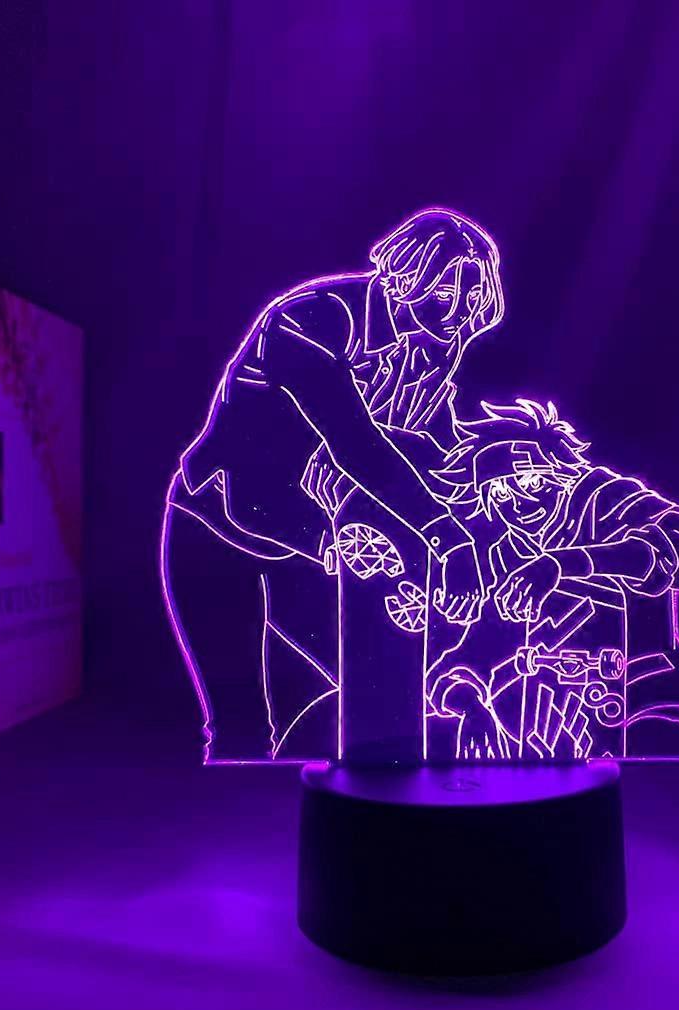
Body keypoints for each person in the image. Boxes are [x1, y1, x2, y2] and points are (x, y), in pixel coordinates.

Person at [161, 208, 505, 761]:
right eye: (445, 293)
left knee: (386, 688)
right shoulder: (309, 320)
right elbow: (357, 444)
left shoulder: (433, 346)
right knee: (241, 734)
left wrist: (508, 488)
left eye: (472, 299)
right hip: (220, 528)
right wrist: (447, 537)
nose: (458, 314)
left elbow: (423, 448)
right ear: (406, 275)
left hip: (316, 547)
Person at [428, 399, 679, 759]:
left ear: (561, 472)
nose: (520, 503)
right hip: (553, 737)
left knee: (670, 770)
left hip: (645, 701)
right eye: (501, 493)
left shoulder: (604, 498)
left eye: (532, 481)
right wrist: (471, 705)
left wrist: (562, 564)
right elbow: (468, 657)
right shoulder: (505, 555)